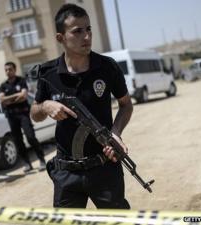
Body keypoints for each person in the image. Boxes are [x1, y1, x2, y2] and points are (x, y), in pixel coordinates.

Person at [30, 4, 133, 209]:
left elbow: (126, 104)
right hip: (67, 172)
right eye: (77, 31)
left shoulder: (107, 66)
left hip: (104, 166)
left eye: (88, 29)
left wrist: (116, 132)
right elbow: (35, 113)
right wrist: (45, 107)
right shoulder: (48, 73)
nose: (86, 36)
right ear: (61, 38)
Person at [0, 62, 46, 173]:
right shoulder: (3, 85)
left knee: (30, 137)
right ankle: (27, 163)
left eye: (10, 69)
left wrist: (8, 99)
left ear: (15, 69)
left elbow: (24, 96)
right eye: (6, 70)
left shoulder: (21, 81)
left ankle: (42, 160)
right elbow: (1, 100)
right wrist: (16, 96)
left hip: (23, 114)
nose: (8, 71)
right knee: (18, 141)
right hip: (11, 116)